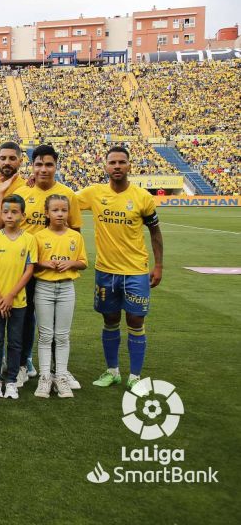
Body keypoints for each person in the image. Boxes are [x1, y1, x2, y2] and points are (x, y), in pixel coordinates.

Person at [77, 146, 163, 390]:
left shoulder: (142, 197)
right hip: (106, 271)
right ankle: (112, 371)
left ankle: (135, 377)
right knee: (110, 319)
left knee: (136, 321)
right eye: (112, 162)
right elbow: (64, 198)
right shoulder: (94, 193)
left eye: (121, 162)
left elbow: (155, 232)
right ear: (105, 166)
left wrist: (159, 266)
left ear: (129, 166)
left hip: (136, 271)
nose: (117, 166)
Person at [0, 145, 81, 386]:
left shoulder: (67, 194)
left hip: (53, 271)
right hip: (26, 269)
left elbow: (74, 232)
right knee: (23, 319)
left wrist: (69, 262)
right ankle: (23, 364)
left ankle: (59, 370)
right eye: (39, 165)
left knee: (56, 323)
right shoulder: (23, 192)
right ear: (31, 166)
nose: (43, 169)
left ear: (56, 166)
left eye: (48, 165)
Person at [33, 194, 87, 398]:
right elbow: (32, 262)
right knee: (46, 335)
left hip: (66, 288)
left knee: (62, 336)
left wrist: (71, 263)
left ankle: (61, 377)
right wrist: (43, 263)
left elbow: (82, 262)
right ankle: (45, 377)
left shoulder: (75, 237)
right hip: (44, 287)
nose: (60, 214)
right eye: (55, 210)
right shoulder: (39, 236)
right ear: (47, 213)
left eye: (63, 210)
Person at [0, 195, 36, 400]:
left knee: (15, 342)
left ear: (23, 215)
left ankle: (12, 380)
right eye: (6, 212)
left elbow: (29, 270)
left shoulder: (29, 239)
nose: (9, 215)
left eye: (14, 212)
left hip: (18, 301)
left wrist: (10, 296)